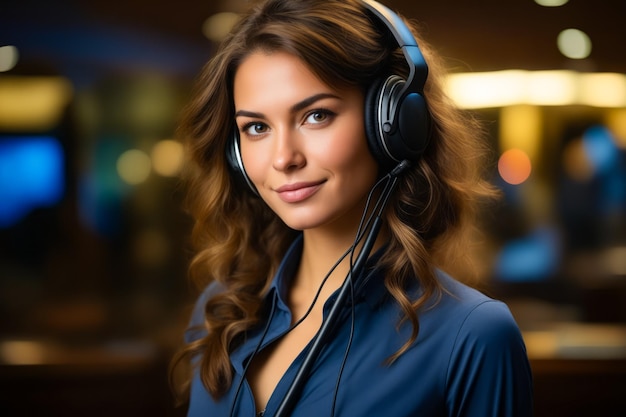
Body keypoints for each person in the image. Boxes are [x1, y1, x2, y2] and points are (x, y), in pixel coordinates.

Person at [171, 0, 534, 416]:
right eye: (257, 128)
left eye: (316, 115)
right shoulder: (221, 310)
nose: (283, 158)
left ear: (393, 123)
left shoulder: (474, 337)